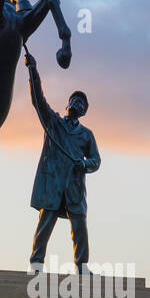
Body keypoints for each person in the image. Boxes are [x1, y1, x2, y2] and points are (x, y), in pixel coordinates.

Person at [23, 51, 100, 274]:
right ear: (67, 104)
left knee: (80, 228)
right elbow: (38, 100)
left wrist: (84, 165)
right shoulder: (53, 122)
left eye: (81, 102)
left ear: (84, 111)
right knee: (44, 224)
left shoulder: (87, 135)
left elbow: (96, 160)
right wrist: (33, 71)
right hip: (53, 185)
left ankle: (82, 266)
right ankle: (36, 263)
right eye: (74, 99)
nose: (76, 102)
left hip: (74, 187)